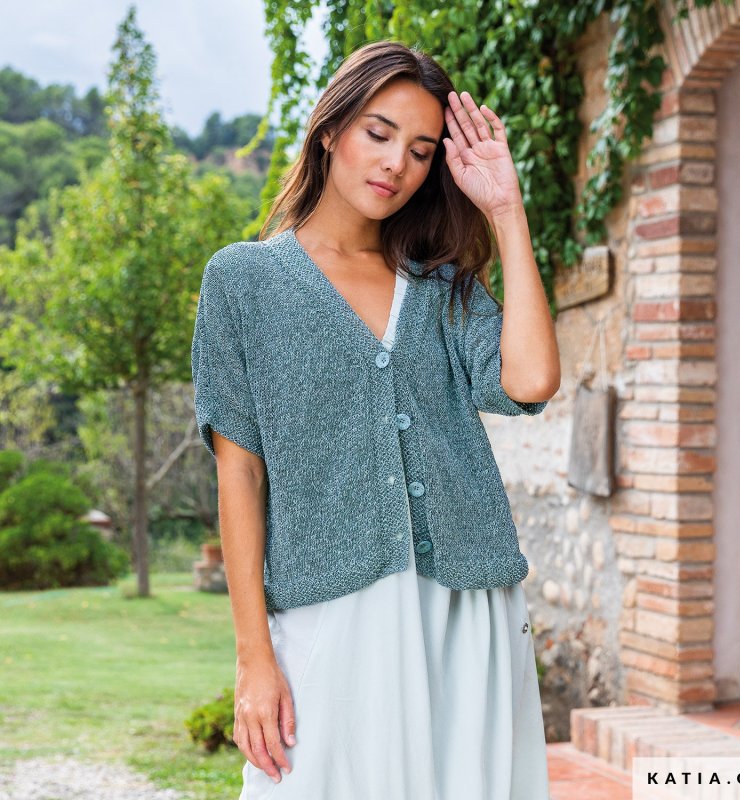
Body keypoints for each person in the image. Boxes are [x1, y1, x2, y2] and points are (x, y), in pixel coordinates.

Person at [191, 39, 560, 800]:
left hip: (464, 607)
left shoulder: (442, 286)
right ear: (331, 130)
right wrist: (253, 657)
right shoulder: (242, 282)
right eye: (379, 133)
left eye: (421, 151)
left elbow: (531, 380)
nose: (397, 164)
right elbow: (240, 473)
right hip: (328, 609)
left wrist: (505, 210)